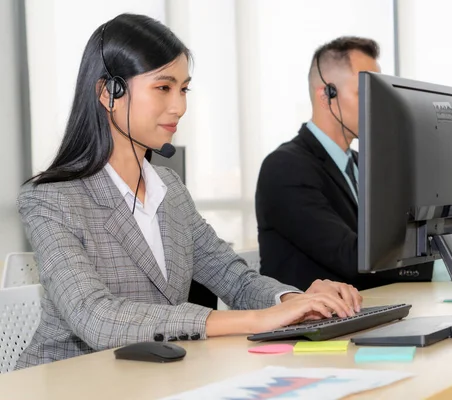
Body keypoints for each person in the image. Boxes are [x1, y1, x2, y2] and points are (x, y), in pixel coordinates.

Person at [16, 14, 362, 369]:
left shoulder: (171, 191)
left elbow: (236, 280)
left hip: (152, 377)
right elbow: (96, 317)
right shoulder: (52, 199)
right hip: (65, 381)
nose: (179, 107)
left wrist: (293, 301)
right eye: (163, 88)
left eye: (183, 89)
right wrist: (257, 321)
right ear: (110, 93)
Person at [255, 36, 452, 291]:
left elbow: (414, 237)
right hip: (311, 333)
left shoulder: (364, 165)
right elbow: (353, 257)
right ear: (326, 95)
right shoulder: (285, 169)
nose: (379, 106)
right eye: (367, 93)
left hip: (375, 308)